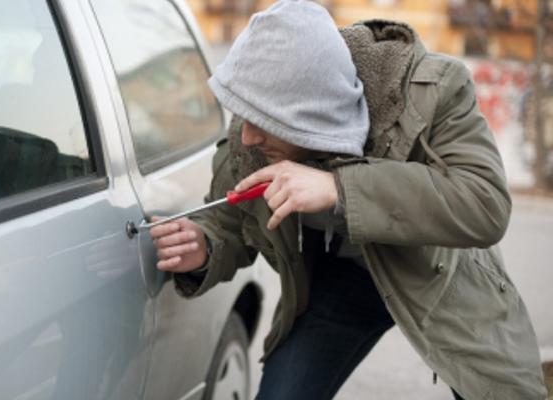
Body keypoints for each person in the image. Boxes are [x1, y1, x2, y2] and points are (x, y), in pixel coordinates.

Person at [150, 1, 547, 399]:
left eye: (264, 123)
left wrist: (339, 188)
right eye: (245, 117)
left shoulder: (434, 91)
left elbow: (484, 203)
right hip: (343, 284)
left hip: (439, 274)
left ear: (311, 113)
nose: (249, 136)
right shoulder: (254, 124)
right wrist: (204, 246)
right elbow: (230, 221)